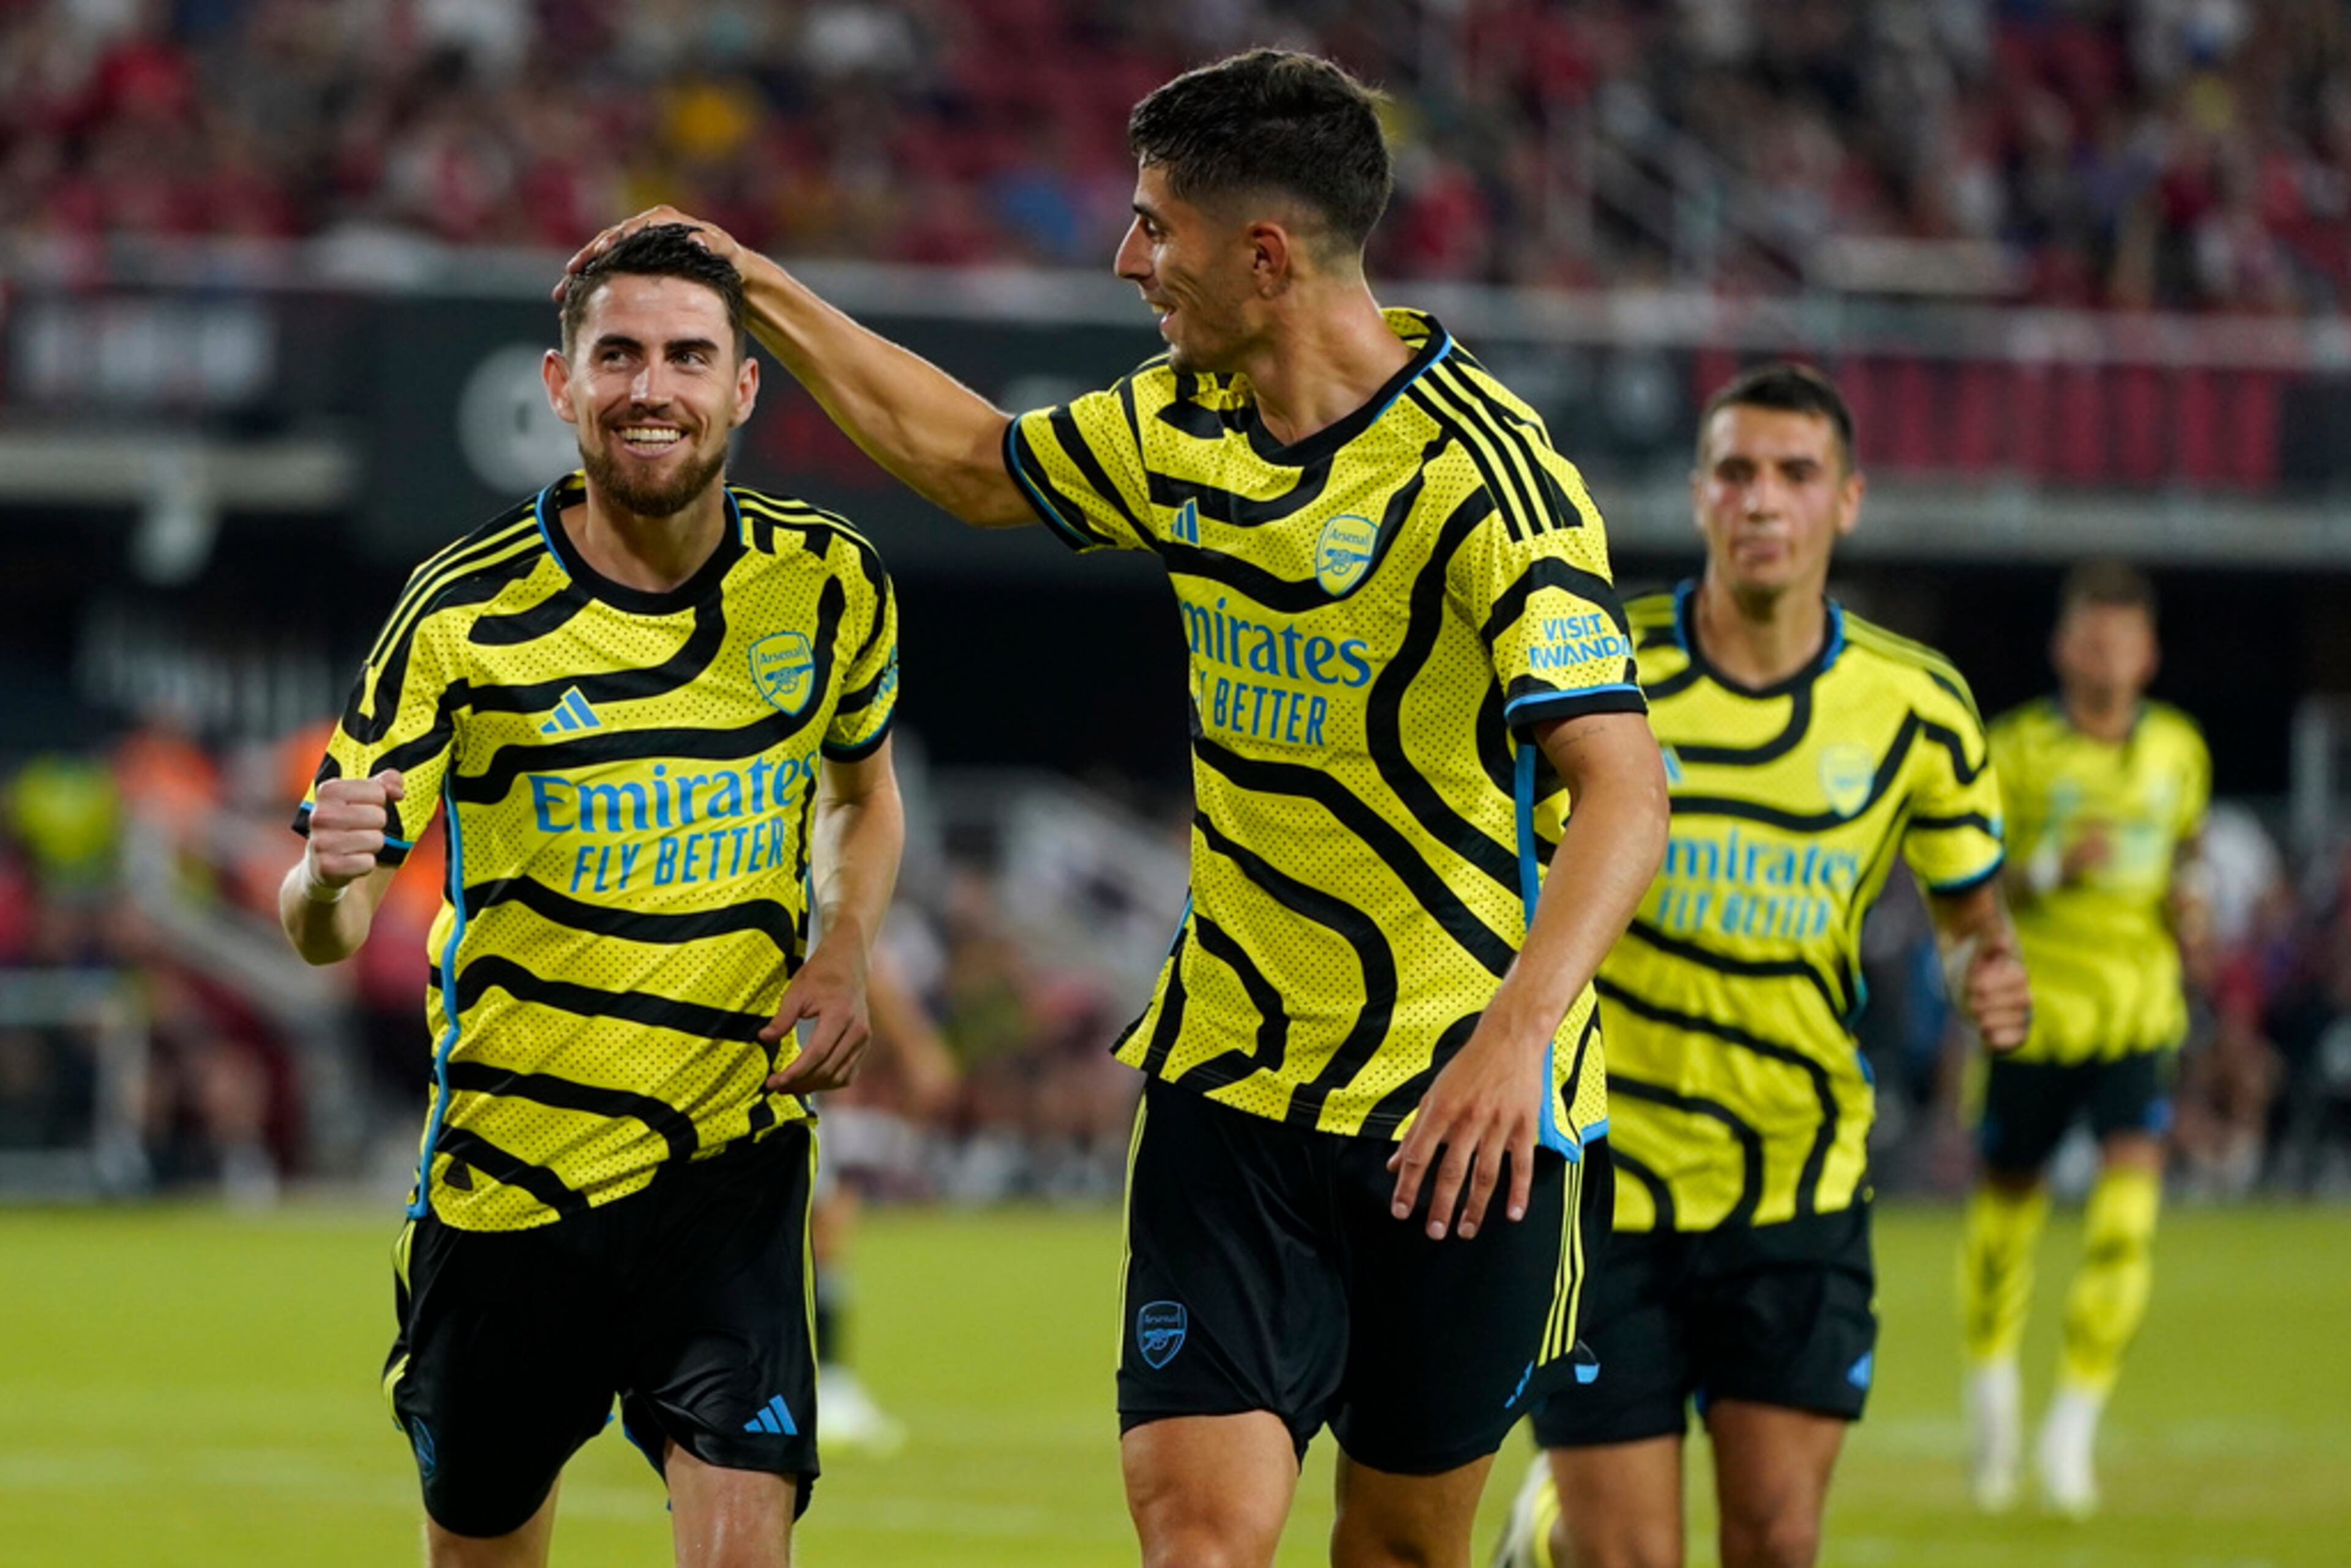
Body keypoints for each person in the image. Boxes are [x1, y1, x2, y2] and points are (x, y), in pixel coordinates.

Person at [566, 48, 1670, 1568]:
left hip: (1458, 1107)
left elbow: (1623, 785)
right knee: (1200, 1544)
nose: (1128, 259)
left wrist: (1515, 1038)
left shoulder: (1491, 483)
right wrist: (754, 289)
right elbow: (970, 463)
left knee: (1405, 1546)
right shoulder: (1182, 424)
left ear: (1264, 257)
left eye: (1158, 226)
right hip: (1228, 1087)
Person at [279, 223, 904, 1568]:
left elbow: (863, 794)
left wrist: (846, 943)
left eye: (689, 355)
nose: (650, 386)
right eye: (616, 354)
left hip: (725, 1172)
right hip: (508, 1188)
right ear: (561, 385)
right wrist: (326, 877)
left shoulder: (828, 581)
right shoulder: (459, 615)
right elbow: (321, 925)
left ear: (744, 386)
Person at [1496, 364, 2033, 1568]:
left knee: (1779, 1543)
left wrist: (1985, 969)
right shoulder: (1597, 677)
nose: (1763, 499)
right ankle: (1557, 1533)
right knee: (1630, 1559)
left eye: (1796, 474)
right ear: (1698, 496)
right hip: (1601, 1179)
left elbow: (1968, 914)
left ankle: (1551, 1532)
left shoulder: (1920, 708)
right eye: (1736, 471)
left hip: (1797, 1182)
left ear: (1846, 501)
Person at [1959, 561, 2210, 1518]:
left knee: (2124, 1223)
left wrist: (2191, 910)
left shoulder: (2179, 753)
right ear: (2063, 646)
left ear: (2148, 653)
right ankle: (1992, 1389)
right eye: (2091, 636)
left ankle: (2071, 1429)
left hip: (2138, 1017)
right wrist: (2054, 867)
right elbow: (1966, 884)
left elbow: (2184, 855)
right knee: (2003, 1230)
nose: (2107, 653)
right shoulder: (2012, 751)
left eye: (2125, 638)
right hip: (2030, 1018)